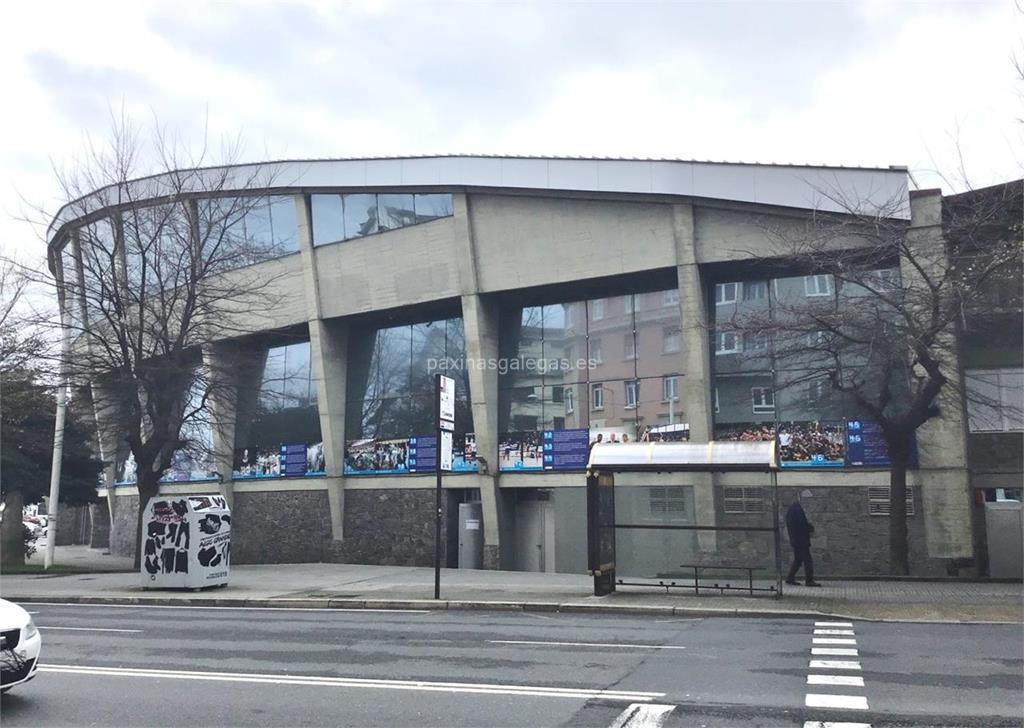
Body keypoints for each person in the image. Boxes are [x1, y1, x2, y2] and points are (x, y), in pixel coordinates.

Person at [785, 489, 821, 586]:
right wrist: (810, 528)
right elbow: (801, 524)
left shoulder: (791, 510)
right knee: (807, 560)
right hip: (801, 540)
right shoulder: (797, 509)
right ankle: (809, 580)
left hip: (795, 539)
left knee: (798, 559)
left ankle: (790, 578)